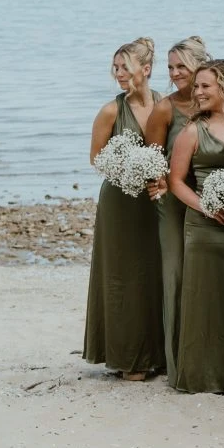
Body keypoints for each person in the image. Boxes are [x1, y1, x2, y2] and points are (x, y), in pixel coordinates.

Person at [84, 37, 164, 380]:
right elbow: (96, 158)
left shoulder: (165, 105)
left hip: (158, 200)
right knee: (123, 277)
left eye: (125, 68)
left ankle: (159, 355)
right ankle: (128, 359)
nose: (118, 74)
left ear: (145, 70)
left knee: (157, 272)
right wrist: (130, 171)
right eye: (115, 68)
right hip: (121, 202)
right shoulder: (111, 111)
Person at [169, 60, 224, 393]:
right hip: (203, 228)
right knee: (205, 299)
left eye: (205, 86)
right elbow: (175, 181)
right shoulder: (191, 132)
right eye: (196, 86)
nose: (197, 92)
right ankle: (202, 375)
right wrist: (206, 206)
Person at [145, 36, 211, 387]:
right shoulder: (165, 109)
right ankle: (178, 361)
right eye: (170, 67)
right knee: (177, 276)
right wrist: (158, 180)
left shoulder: (217, 101)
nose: (174, 74)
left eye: (181, 66)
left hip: (211, 198)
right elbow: (152, 158)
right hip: (172, 205)